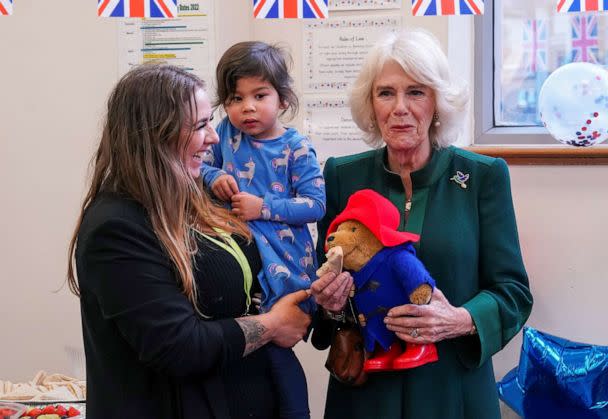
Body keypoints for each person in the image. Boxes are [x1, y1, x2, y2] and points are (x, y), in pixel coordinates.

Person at [309, 29, 533, 419]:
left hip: (452, 388)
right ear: (370, 103)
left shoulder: (483, 177)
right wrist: (328, 302)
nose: (400, 107)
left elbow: (513, 292)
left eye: (416, 92)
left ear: (438, 102)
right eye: (386, 93)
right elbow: (323, 281)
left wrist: (460, 319)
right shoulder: (341, 176)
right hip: (366, 391)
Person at [66, 63, 312, 419]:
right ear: (156, 135)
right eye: (199, 126)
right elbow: (181, 346)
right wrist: (273, 324)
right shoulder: (116, 226)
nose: (213, 137)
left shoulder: (196, 198)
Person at [201, 41, 325, 419]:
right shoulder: (224, 134)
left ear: (282, 99)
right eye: (236, 98)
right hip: (241, 258)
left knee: (276, 345)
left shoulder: (296, 147)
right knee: (247, 343)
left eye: (260, 95)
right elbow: (200, 167)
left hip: (287, 263)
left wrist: (263, 207)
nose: (247, 107)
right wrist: (214, 175)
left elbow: (315, 205)